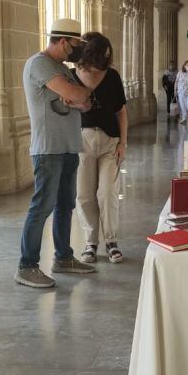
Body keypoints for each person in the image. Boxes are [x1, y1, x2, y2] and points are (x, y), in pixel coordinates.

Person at [15, 18, 99, 289]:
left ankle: (63, 257)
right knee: (42, 207)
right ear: (63, 42)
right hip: (48, 149)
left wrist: (78, 97)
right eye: (75, 45)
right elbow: (77, 95)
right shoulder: (39, 64)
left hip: (68, 146)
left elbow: (86, 103)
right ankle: (26, 266)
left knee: (66, 205)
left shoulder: (62, 68)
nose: (77, 51)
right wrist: (77, 96)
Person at [75, 32, 128, 266]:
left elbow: (121, 112)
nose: (106, 59)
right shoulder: (70, 76)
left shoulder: (112, 76)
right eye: (102, 54)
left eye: (108, 55)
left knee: (107, 193)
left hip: (109, 142)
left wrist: (123, 143)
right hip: (81, 141)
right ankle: (90, 242)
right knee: (85, 195)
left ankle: (111, 241)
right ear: (90, 53)